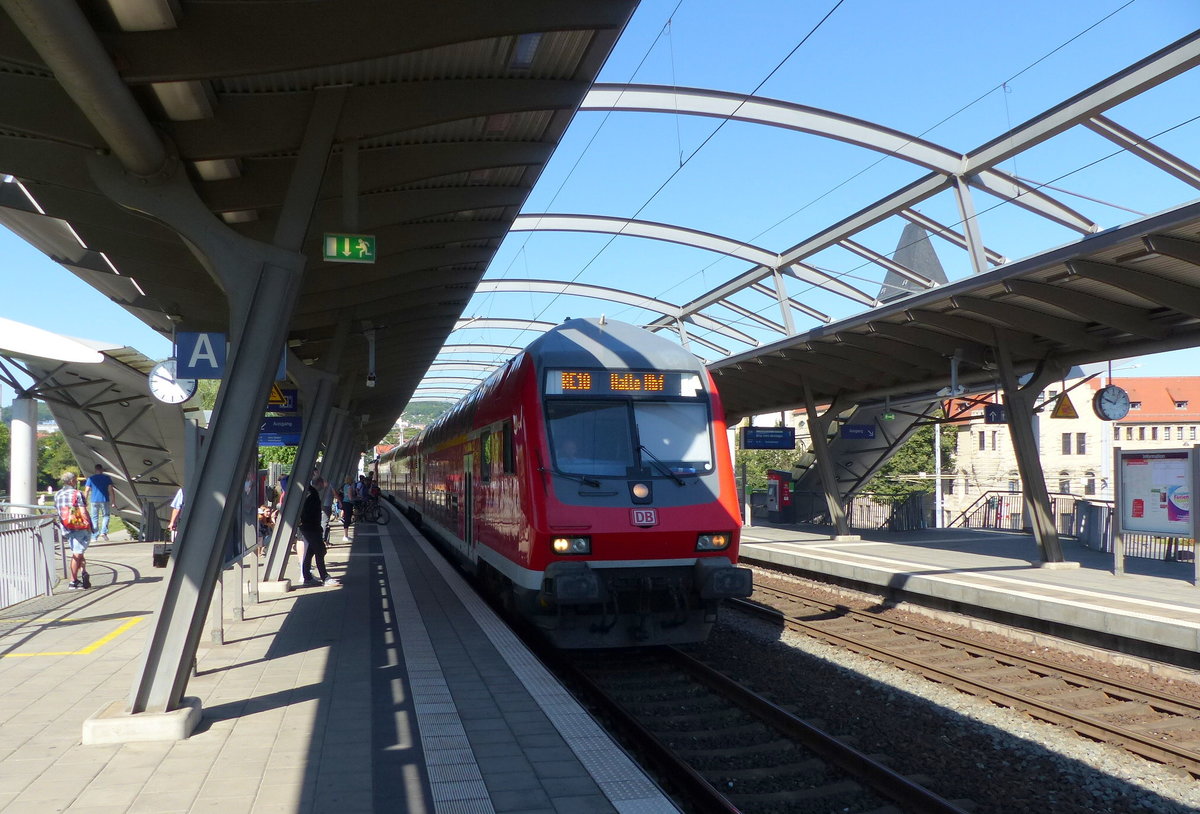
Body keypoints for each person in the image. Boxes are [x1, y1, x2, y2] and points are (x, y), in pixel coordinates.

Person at [55, 471, 92, 589]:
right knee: (77, 552)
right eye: (75, 480)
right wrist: (89, 525)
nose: (76, 482)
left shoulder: (58, 494)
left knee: (79, 550)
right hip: (78, 526)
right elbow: (83, 511)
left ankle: (83, 571)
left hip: (66, 526)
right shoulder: (77, 493)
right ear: (71, 481)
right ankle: (73, 581)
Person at [299, 477, 339, 587]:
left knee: (311, 552)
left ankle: (307, 577)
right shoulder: (313, 494)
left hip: (308, 526)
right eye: (323, 483)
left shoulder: (309, 492)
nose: (324, 485)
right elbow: (310, 512)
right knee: (320, 550)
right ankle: (324, 577)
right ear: (320, 483)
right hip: (311, 527)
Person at [84, 464, 114, 541]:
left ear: (95, 470)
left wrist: (84, 501)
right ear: (102, 470)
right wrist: (113, 501)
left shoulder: (91, 478)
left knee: (94, 517)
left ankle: (95, 535)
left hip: (94, 500)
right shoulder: (107, 478)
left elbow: (87, 490)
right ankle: (103, 532)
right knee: (106, 515)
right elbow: (111, 490)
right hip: (104, 499)